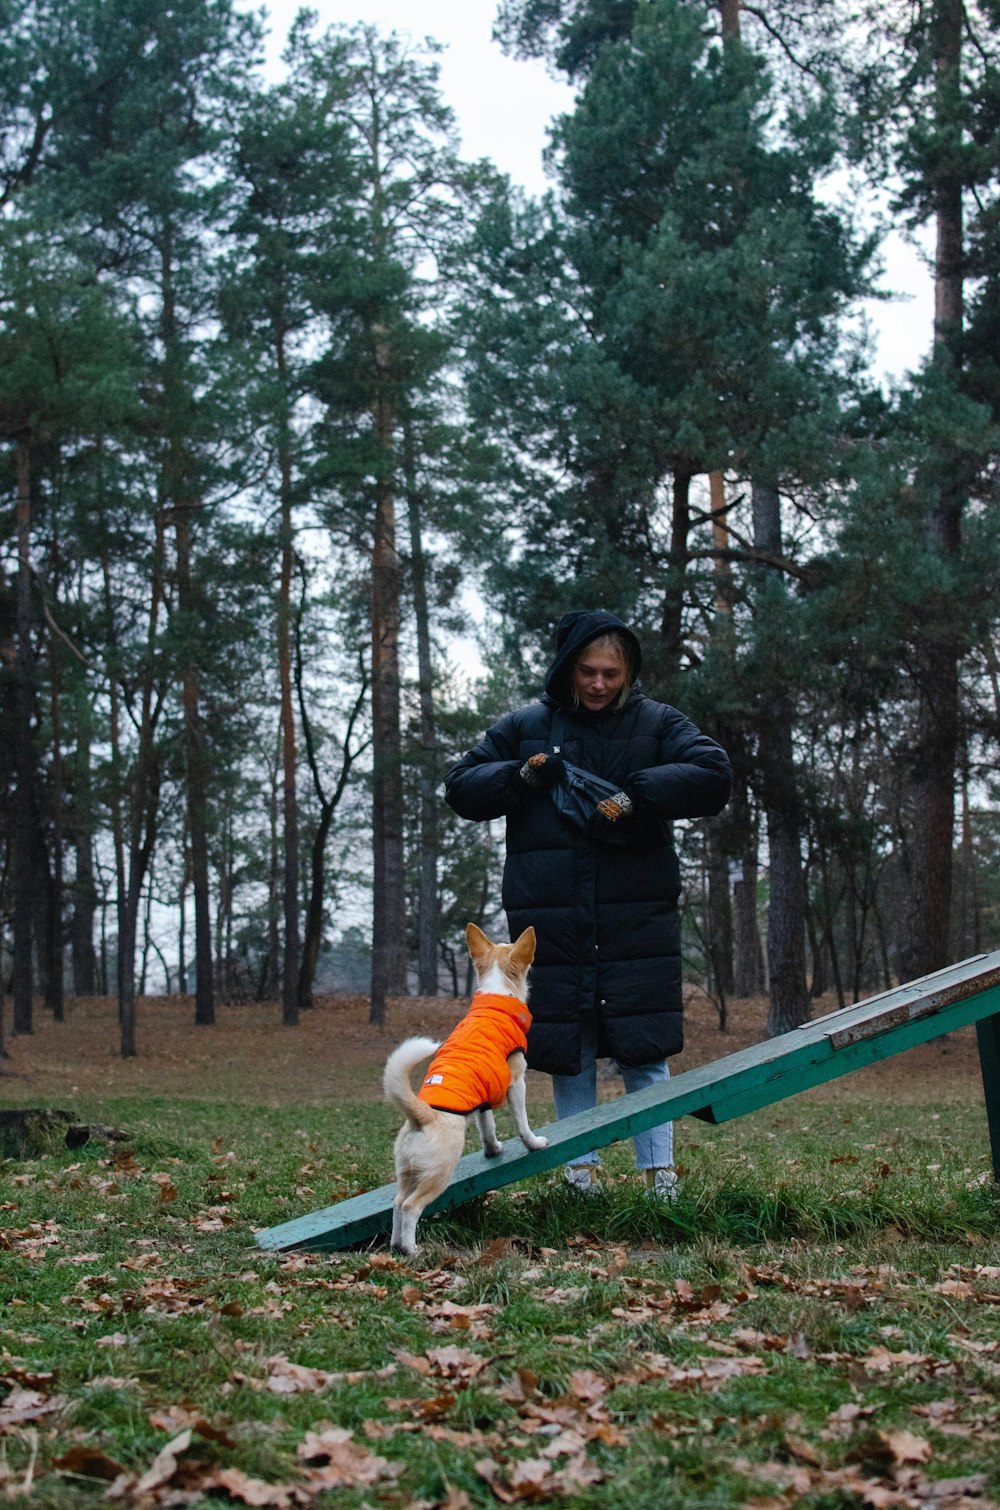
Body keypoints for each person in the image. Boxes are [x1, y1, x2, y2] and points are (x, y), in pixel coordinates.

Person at [443, 609, 732, 1199]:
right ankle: (581, 1177)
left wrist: (638, 793)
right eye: (587, 671)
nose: (599, 684)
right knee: (567, 1050)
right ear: (566, 670)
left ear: (628, 674)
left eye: (611, 673)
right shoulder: (527, 726)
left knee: (643, 1047)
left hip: (637, 918)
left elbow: (713, 774)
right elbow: (461, 786)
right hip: (551, 918)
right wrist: (522, 776)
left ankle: (661, 1180)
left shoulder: (657, 723)